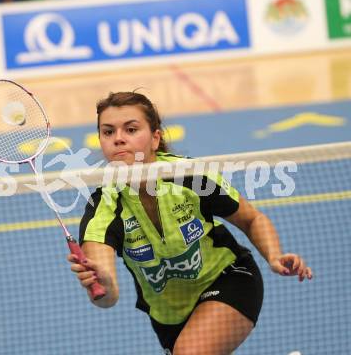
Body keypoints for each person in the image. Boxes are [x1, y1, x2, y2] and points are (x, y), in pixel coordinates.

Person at [68, 91, 312, 355]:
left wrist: (273, 255)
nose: (118, 139)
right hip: (167, 315)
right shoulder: (102, 209)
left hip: (227, 279)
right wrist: (105, 283)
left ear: (155, 138)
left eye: (131, 129)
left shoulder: (190, 178)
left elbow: (251, 219)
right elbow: (107, 298)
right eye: (108, 132)